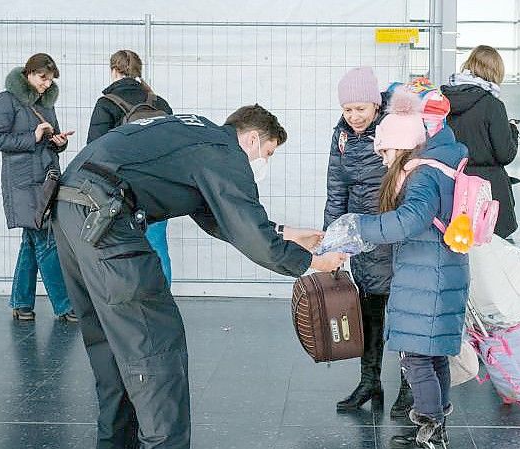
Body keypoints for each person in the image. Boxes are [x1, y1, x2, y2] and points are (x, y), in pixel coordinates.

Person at [51, 105, 347, 449]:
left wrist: (290, 234)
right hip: (104, 218)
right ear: (251, 138)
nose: (264, 163)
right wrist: (314, 262)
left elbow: (218, 217)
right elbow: (248, 230)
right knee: (154, 347)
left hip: (71, 209)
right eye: (268, 153)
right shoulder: (225, 152)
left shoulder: (195, 135)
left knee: (112, 344)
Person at [339, 87, 468, 448]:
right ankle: (436, 422)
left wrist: (359, 225)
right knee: (432, 355)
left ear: (400, 145)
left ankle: (431, 429)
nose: (382, 160)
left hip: (427, 276)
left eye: (385, 151)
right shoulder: (441, 164)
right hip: (437, 273)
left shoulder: (423, 175)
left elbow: (409, 220)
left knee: (416, 359)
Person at [324, 67, 412, 418]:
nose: (354, 116)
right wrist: (334, 240)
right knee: (368, 313)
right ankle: (369, 381)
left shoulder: (395, 129)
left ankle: (410, 388)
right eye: (348, 110)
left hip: (395, 235)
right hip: (362, 238)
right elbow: (337, 188)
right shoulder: (342, 136)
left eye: (361, 108)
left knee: (405, 316)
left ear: (376, 105)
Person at [0, 53, 77, 322]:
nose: (47, 84)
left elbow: (49, 140)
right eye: (43, 77)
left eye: (50, 80)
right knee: (45, 240)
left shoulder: (44, 103)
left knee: (31, 241)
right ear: (28, 73)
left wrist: (58, 142)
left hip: (46, 180)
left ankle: (21, 303)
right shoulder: (6, 100)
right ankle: (65, 306)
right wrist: (32, 136)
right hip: (23, 183)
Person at [87, 49, 175, 284]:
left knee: (117, 247)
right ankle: (162, 298)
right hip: (158, 187)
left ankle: (126, 303)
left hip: (120, 190)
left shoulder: (106, 103)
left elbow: (94, 149)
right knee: (157, 245)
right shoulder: (160, 103)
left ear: (114, 71)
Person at [441, 44, 519, 239]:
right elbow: (505, 153)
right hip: (488, 189)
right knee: (491, 248)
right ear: (496, 72)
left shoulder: (445, 100)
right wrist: (512, 131)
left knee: (457, 244)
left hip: (453, 184)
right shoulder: (492, 105)